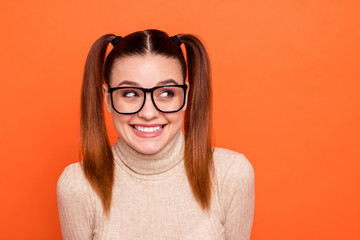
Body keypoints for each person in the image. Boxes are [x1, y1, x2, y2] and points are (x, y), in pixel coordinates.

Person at [56, 29, 255, 240]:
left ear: (185, 96)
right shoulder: (78, 185)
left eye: (167, 93)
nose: (148, 113)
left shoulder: (231, 175)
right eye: (130, 94)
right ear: (107, 99)